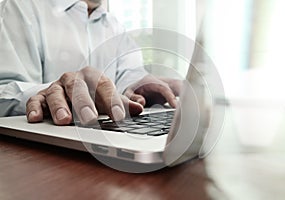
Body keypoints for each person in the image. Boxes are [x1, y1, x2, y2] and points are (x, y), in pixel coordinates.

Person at [0, 0, 181, 125]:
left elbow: (128, 76)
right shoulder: (20, 7)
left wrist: (139, 86)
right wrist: (51, 94)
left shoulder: (114, 25)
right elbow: (3, 93)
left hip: (108, 132)